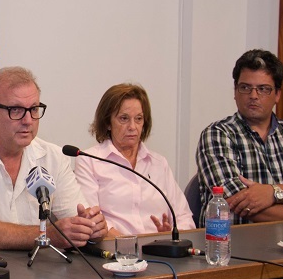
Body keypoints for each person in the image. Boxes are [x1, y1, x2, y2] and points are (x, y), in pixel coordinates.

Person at [0, 66, 108, 253]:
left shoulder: (54, 157)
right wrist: (47, 235)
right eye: (16, 110)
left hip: (35, 273)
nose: (28, 120)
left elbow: (75, 219)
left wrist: (89, 227)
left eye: (33, 109)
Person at [195, 49, 283, 224]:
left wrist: (272, 192)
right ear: (235, 92)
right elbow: (239, 203)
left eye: (263, 89)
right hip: (233, 245)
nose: (253, 96)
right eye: (245, 88)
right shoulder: (217, 134)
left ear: (277, 95)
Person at [73, 83, 196, 236]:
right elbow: (91, 220)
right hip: (115, 251)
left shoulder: (158, 163)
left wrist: (172, 236)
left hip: (160, 251)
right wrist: (127, 247)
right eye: (124, 119)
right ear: (107, 123)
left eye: (138, 119)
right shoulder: (90, 161)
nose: (132, 126)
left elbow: (184, 216)